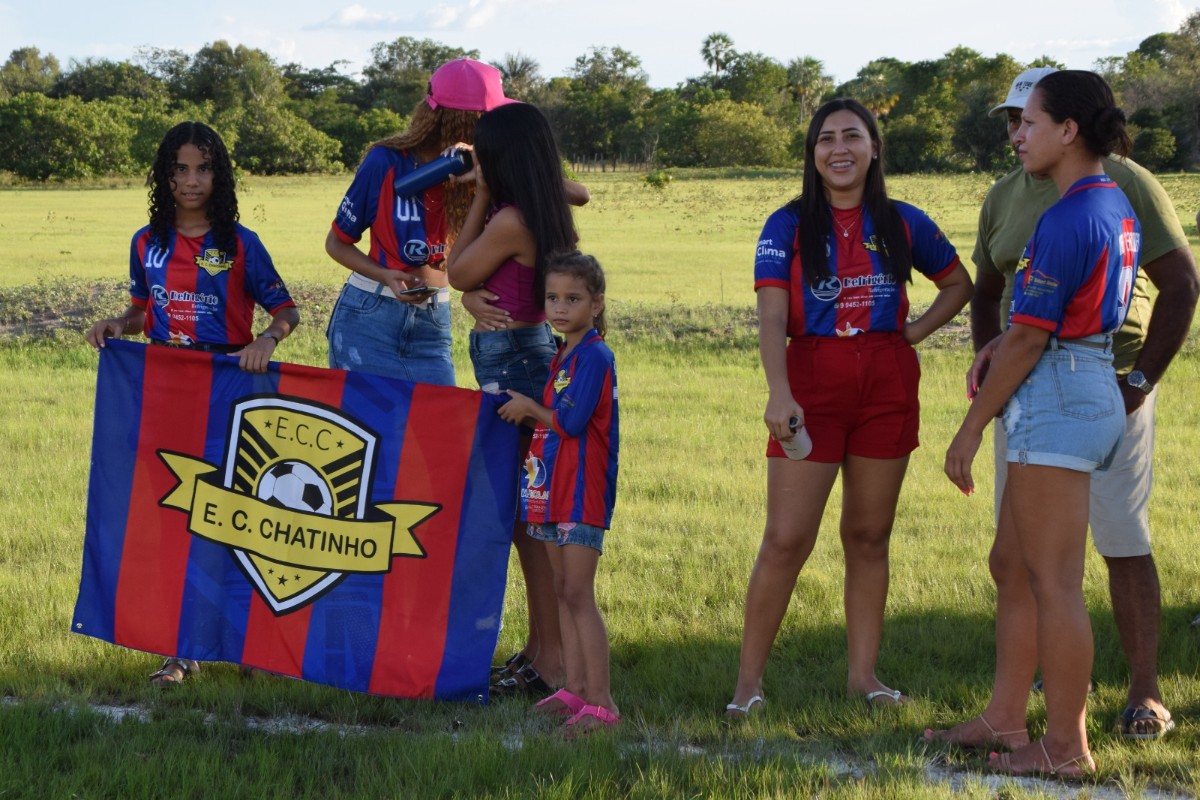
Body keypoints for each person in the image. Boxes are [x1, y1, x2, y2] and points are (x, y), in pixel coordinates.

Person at [928, 67, 1198, 751]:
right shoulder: (1106, 200)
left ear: (1069, 130)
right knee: (1015, 563)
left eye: (1032, 122)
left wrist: (968, 426)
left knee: (1055, 582)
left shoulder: (1068, 214)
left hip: (1061, 387)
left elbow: (1027, 337)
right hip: (1080, 379)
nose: (1019, 136)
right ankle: (1006, 717)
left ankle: (1066, 747)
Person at [726, 98, 972, 717]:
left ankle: (863, 677)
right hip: (811, 379)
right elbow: (772, 314)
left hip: (887, 381)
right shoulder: (785, 224)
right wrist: (779, 391)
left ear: (874, 148)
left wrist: (913, 332)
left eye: (852, 136)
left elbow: (958, 283)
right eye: (826, 139)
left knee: (868, 536)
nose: (839, 148)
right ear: (813, 154)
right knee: (786, 538)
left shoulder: (903, 220)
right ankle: (747, 687)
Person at [86, 120, 300, 684]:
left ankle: (251, 642)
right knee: (179, 517)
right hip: (165, 394)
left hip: (230, 393)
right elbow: (141, 312)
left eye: (203, 168)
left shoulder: (240, 244)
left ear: (219, 175)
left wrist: (266, 338)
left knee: (234, 518)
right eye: (180, 169)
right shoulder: (145, 242)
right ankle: (180, 651)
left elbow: (287, 310)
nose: (191, 180)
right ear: (164, 175)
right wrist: (118, 324)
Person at [446, 102, 584, 696]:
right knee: (529, 517)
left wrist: (480, 192)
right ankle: (540, 650)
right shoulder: (548, 202)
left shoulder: (509, 218)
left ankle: (551, 661)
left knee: (530, 522)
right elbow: (575, 189)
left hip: (513, 365)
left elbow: (455, 271)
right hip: (525, 356)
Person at [324, 58, 512, 385]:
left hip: (434, 321)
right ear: (463, 121)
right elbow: (336, 242)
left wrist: (487, 170)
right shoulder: (386, 161)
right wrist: (385, 274)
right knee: (370, 431)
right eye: (487, 120)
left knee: (432, 431)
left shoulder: (485, 171)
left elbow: (567, 193)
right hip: (370, 317)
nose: (493, 130)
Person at [496, 250, 620, 734]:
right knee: (561, 590)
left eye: (573, 298)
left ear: (596, 303)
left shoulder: (594, 355)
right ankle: (573, 688)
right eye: (552, 297)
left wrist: (527, 407)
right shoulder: (562, 354)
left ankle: (603, 702)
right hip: (549, 491)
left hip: (580, 492)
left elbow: (569, 422)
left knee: (577, 592)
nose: (560, 307)